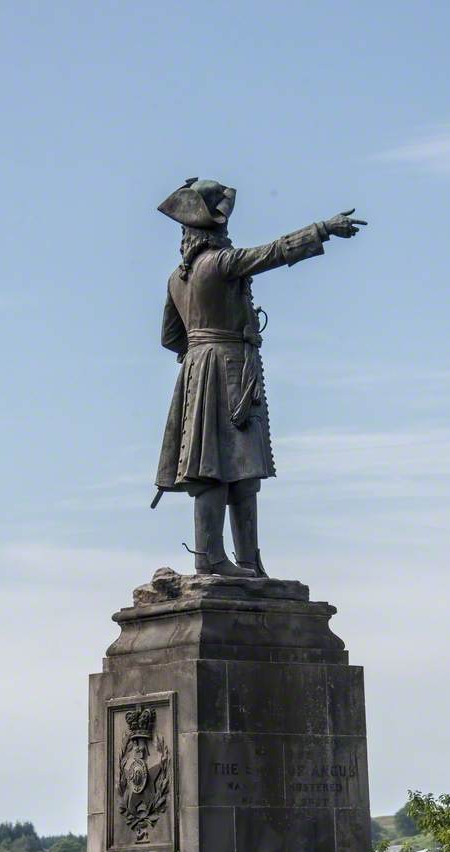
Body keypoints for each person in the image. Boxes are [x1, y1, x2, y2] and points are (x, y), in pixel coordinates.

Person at [154, 177, 366, 577]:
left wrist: (198, 356)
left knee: (240, 468)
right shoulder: (220, 263)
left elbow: (170, 338)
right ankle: (214, 560)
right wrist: (322, 229)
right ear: (214, 229)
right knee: (217, 468)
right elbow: (272, 253)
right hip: (230, 369)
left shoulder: (176, 278)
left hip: (200, 369)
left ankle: (245, 561)